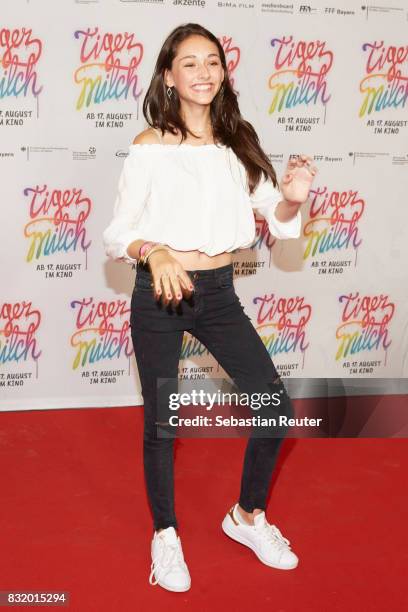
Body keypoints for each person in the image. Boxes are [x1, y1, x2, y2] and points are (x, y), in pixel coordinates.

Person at [102, 23, 317, 593]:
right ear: (169, 76)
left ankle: (246, 516)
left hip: (219, 294)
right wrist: (154, 250)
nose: (203, 72)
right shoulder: (150, 146)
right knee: (163, 423)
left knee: (276, 410)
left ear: (224, 73)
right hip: (162, 295)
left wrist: (291, 200)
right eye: (189, 62)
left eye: (213, 62)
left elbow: (283, 228)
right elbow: (117, 233)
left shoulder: (237, 141)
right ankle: (165, 534)